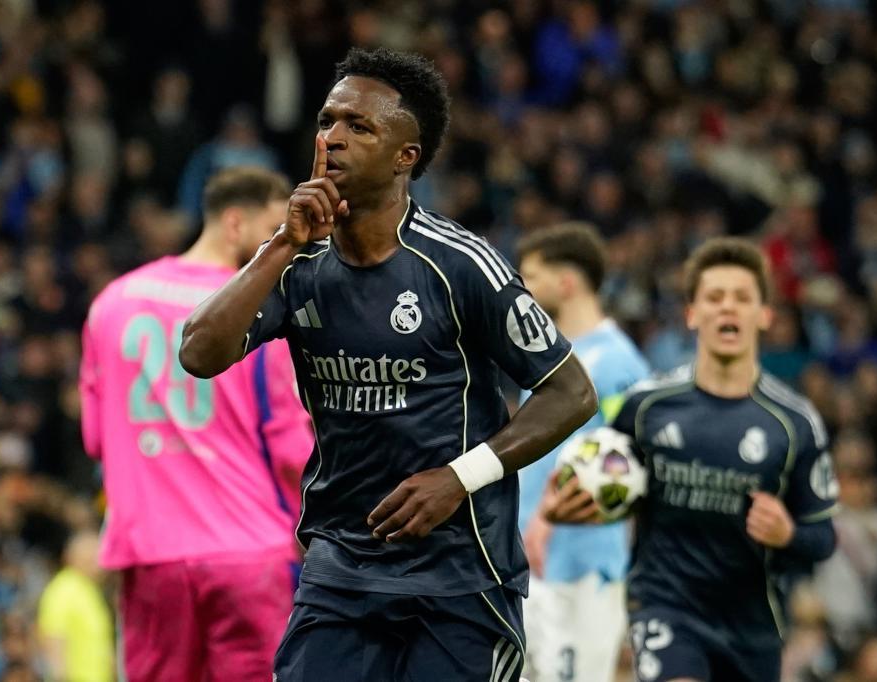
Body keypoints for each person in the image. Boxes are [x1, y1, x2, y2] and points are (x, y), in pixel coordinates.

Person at [180, 47, 598, 682]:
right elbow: (198, 352)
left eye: (359, 126)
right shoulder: (298, 264)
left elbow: (571, 392)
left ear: (407, 156)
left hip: (461, 577)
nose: (333, 138)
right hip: (339, 572)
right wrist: (281, 245)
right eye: (327, 121)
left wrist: (459, 477)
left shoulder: (461, 264)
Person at [543, 237, 838, 682]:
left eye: (742, 298)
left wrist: (788, 533)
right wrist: (560, 512)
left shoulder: (794, 423)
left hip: (754, 623)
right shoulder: (645, 408)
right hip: (665, 606)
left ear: (764, 315)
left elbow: (823, 537)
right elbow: (599, 476)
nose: (727, 308)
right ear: (692, 314)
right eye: (714, 298)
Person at [78, 167, 314, 681]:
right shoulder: (256, 310)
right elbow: (291, 449)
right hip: (249, 552)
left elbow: (96, 439)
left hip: (150, 552)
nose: (287, 244)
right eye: (274, 229)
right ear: (235, 224)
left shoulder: (110, 303)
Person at [515, 223, 650, 682]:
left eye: (531, 276)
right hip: (527, 564)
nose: (522, 288)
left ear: (566, 282)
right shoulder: (541, 361)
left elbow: (631, 459)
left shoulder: (618, 363)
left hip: (585, 564)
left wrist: (552, 515)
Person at [36, 531, 113, 682]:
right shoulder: (64, 588)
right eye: (93, 558)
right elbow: (53, 637)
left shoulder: (88, 589)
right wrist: (59, 676)